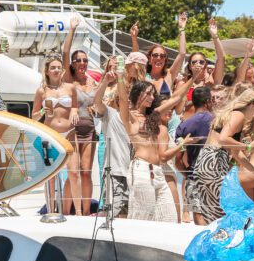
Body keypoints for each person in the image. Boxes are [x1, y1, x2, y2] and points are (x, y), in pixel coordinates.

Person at [193, 88, 254, 225]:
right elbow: (224, 138)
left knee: (214, 214)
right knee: (225, 211)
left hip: (206, 161)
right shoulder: (238, 115)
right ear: (253, 104)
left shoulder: (232, 115)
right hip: (214, 162)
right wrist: (248, 146)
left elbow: (236, 153)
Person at [117, 78, 187, 223]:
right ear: (138, 94)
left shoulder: (153, 115)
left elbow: (176, 98)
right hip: (141, 169)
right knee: (142, 218)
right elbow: (123, 100)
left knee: (170, 218)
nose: (152, 97)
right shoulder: (130, 116)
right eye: (148, 93)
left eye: (153, 94)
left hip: (158, 172)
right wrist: (119, 76)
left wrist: (194, 77)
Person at [32, 55, 79, 215]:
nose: (56, 70)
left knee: (73, 173)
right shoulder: (41, 91)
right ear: (46, 71)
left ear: (63, 70)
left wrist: (74, 111)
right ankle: (51, 210)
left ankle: (79, 212)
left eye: (59, 67)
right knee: (51, 176)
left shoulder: (71, 88)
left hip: (69, 132)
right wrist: (41, 112)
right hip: (49, 135)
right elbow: (33, 117)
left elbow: (75, 106)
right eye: (53, 67)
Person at [62, 16, 99, 215]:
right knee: (72, 173)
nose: (83, 63)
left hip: (90, 129)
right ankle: (68, 211)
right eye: (79, 61)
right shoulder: (69, 80)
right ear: (73, 64)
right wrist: (72, 30)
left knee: (86, 173)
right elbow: (65, 52)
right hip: (72, 131)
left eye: (85, 60)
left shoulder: (92, 82)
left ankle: (85, 212)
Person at [94, 67, 131, 219]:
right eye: (123, 98)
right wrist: (105, 82)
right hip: (114, 172)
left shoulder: (135, 118)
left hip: (132, 174)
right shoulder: (109, 113)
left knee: (127, 216)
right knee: (112, 216)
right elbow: (96, 101)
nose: (126, 100)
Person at [175, 86, 214, 223]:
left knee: (199, 218)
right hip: (217, 176)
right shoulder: (219, 121)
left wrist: (188, 174)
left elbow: (178, 160)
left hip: (194, 176)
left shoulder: (184, 126)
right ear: (208, 101)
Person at [131, 13, 187, 97]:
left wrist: (181, 29)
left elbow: (182, 54)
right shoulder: (143, 74)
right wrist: (134, 38)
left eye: (162, 56)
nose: (158, 58)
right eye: (155, 55)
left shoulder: (170, 75)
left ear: (165, 60)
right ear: (149, 59)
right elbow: (136, 57)